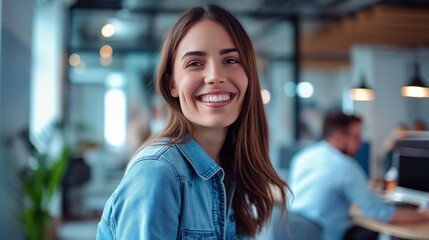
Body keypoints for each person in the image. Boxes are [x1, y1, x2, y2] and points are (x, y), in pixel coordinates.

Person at [96, 4, 288, 240]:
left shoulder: (231, 167)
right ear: (172, 85)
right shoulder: (158, 171)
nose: (215, 76)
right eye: (195, 63)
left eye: (230, 60)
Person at [288, 110, 429, 240]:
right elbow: (379, 213)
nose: (360, 144)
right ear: (338, 137)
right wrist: (423, 215)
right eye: (356, 137)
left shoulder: (303, 156)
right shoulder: (344, 166)